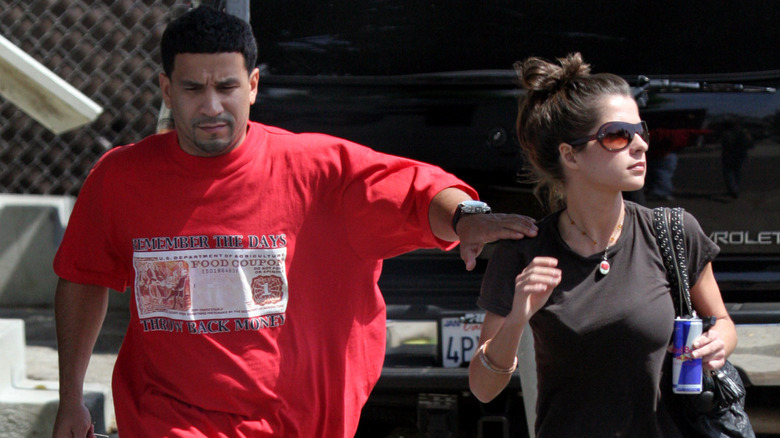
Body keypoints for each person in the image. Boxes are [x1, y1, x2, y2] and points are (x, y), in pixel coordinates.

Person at [51, 6, 538, 438]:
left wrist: (467, 216)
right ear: (166, 89)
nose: (212, 106)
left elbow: (418, 190)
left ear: (254, 86)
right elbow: (81, 278)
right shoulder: (120, 177)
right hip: (168, 418)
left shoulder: (319, 170)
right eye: (193, 88)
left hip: (297, 421)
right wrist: (70, 395)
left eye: (227, 87)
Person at [468, 53, 737, 437]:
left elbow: (724, 323)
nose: (640, 144)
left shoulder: (674, 232)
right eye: (617, 135)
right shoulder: (523, 251)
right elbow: (483, 387)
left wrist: (717, 344)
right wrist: (516, 320)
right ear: (570, 155)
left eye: (640, 130)